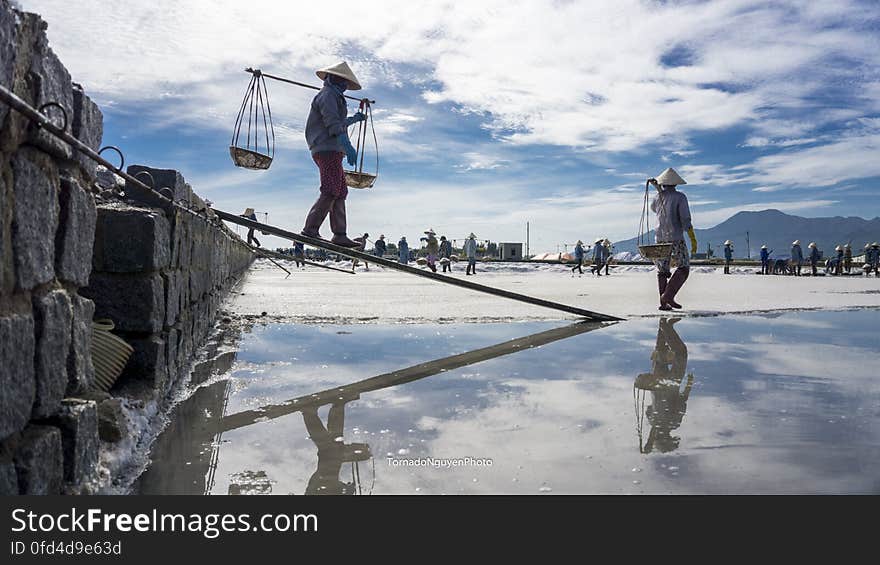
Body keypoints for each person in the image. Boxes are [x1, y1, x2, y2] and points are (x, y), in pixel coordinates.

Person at [301, 62, 367, 248]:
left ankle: (340, 234)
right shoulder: (327, 95)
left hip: (333, 149)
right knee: (330, 189)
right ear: (331, 78)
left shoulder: (336, 97)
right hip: (325, 147)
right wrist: (346, 143)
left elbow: (338, 122)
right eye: (340, 80)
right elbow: (331, 122)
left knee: (341, 191)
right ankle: (310, 230)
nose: (343, 85)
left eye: (345, 82)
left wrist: (354, 119)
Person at [633, 318, 694, 454]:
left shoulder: (673, 423)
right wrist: (649, 444)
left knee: (681, 353)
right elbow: (651, 412)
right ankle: (663, 326)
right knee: (660, 352)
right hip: (657, 383)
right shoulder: (653, 421)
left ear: (668, 437)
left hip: (671, 384)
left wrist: (689, 385)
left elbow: (682, 400)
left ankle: (666, 327)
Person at [648, 168, 697, 311]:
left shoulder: (658, 197)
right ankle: (668, 296)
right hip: (675, 237)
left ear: (662, 183)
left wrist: (659, 191)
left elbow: (654, 208)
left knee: (662, 270)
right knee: (683, 267)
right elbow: (685, 218)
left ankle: (664, 303)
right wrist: (692, 237)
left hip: (660, 238)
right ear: (675, 184)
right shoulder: (680, 197)